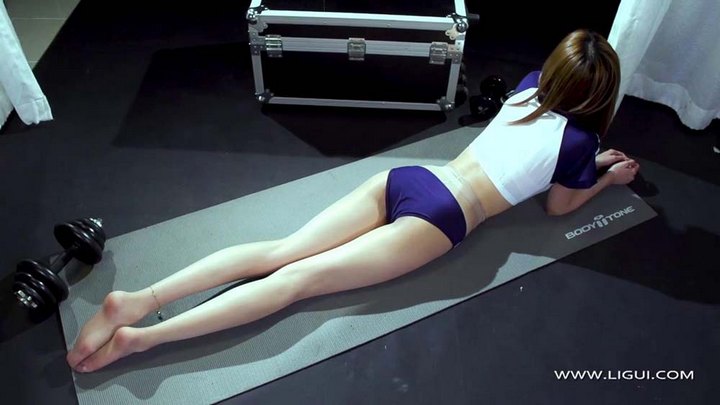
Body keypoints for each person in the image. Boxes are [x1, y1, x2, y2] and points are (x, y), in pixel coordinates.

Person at [66, 29, 639, 373]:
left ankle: (139, 299)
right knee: (297, 283)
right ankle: (143, 338)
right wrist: (605, 178)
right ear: (601, 94)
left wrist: (589, 163)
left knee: (279, 252)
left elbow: (532, 149)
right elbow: (559, 206)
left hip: (410, 180)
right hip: (445, 217)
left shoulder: (530, 85)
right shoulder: (579, 142)